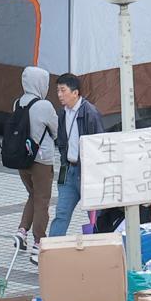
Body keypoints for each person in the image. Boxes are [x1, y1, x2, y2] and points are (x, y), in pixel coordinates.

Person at [12, 65, 59, 259]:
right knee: (42, 200)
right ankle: (38, 242)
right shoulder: (44, 106)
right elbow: (55, 130)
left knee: (33, 194)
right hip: (41, 161)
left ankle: (21, 232)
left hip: (22, 159)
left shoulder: (18, 103)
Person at [50, 72, 105, 238]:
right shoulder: (62, 114)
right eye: (58, 90)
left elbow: (99, 144)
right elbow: (61, 142)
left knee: (94, 218)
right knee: (61, 213)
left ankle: (101, 251)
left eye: (63, 90)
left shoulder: (90, 113)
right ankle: (51, 251)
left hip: (88, 174)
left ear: (75, 92)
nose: (59, 95)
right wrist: (64, 160)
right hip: (69, 171)